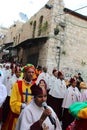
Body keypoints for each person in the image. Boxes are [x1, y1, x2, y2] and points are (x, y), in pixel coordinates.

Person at [1, 63, 35, 130]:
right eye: (29, 72)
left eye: (32, 72)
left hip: (30, 118)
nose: (31, 74)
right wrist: (22, 106)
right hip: (17, 118)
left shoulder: (35, 86)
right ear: (24, 73)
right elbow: (12, 103)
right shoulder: (17, 85)